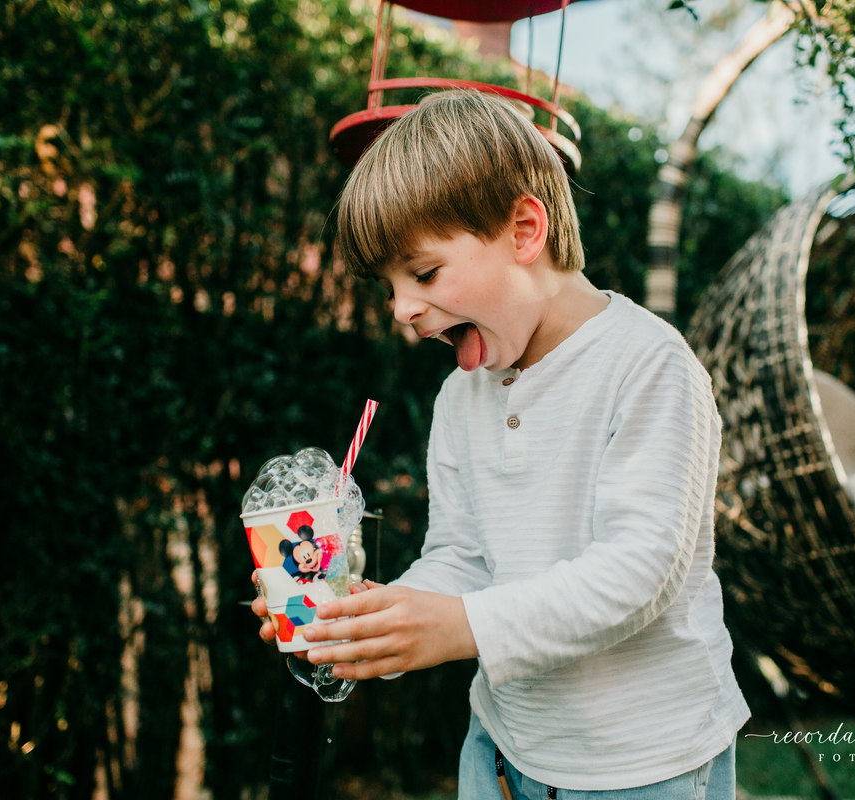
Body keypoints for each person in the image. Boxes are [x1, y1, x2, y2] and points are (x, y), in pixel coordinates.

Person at [251, 89, 749, 799]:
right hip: (501, 753)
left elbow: (642, 571)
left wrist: (462, 626)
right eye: (389, 286)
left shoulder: (648, 365)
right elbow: (462, 556)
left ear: (524, 230)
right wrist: (373, 619)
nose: (402, 308)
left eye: (422, 273)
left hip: (644, 765)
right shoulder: (462, 396)